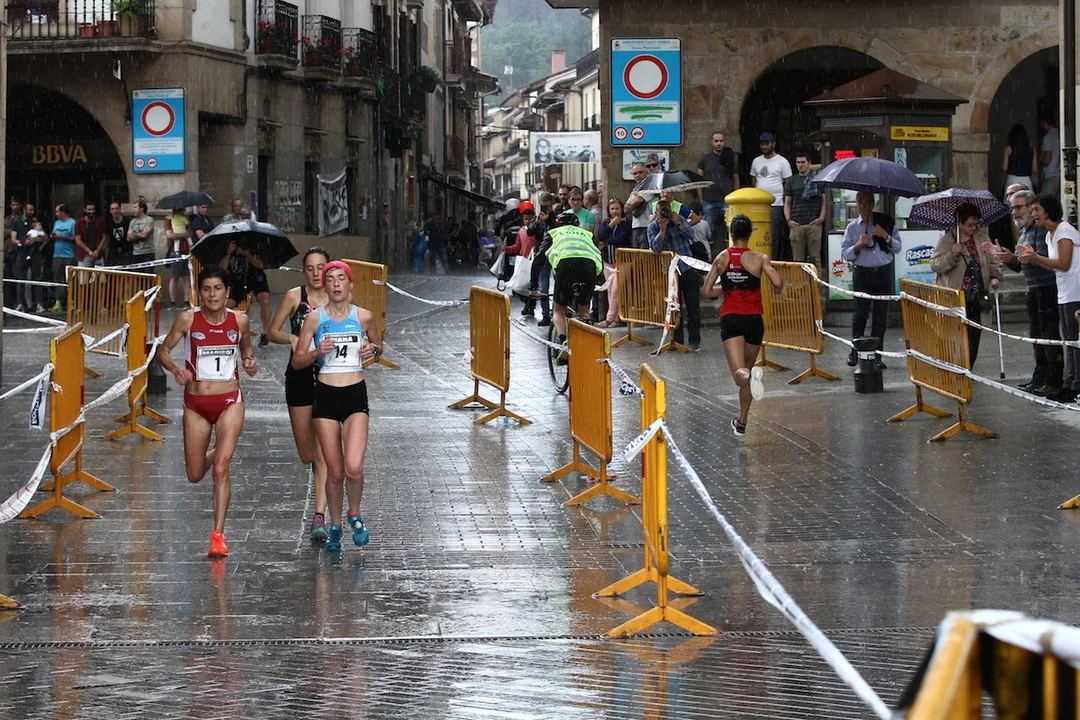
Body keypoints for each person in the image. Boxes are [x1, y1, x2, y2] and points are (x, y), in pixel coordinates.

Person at [156, 265, 258, 557]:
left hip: (230, 401)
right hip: (196, 405)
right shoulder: (188, 319)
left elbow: (246, 348)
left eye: (218, 289)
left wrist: (249, 361)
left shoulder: (240, 320)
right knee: (195, 473)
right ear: (199, 292)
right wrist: (176, 369)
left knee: (222, 468)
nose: (212, 295)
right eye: (206, 289)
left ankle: (218, 536)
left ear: (227, 292)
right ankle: (215, 452)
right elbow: (163, 351)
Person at [291, 261, 383, 552]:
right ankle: (335, 525)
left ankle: (354, 513)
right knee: (335, 471)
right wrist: (317, 352)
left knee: (353, 467)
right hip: (326, 396)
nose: (336, 283)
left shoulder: (364, 316)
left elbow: (379, 346)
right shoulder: (314, 319)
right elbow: (297, 361)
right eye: (330, 279)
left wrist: (372, 349)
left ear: (350, 284)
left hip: (355, 395)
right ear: (325, 286)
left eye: (341, 278)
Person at [267, 247, 332, 542]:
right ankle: (319, 471)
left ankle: (320, 515)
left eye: (321, 267)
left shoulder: (339, 296)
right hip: (299, 376)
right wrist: (291, 338)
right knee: (308, 454)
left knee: (323, 451)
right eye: (310, 268)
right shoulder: (295, 297)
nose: (316, 273)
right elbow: (271, 331)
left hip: (331, 377)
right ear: (303, 271)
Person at [702, 214, 783, 436]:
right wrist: (777, 289)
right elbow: (777, 282)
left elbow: (706, 291)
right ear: (749, 235)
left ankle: (748, 376)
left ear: (731, 234)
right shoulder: (760, 258)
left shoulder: (721, 258)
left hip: (732, 318)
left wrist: (725, 289)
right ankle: (742, 422)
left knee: (740, 374)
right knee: (748, 368)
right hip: (755, 319)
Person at [990, 189, 1062, 395]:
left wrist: (1026, 258)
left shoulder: (1041, 229)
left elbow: (1045, 260)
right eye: (1012, 208)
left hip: (1046, 288)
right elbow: (1022, 265)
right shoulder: (1023, 232)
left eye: (1019, 207)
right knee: (1036, 336)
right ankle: (1040, 377)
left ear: (1031, 208)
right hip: (1032, 289)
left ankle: (1054, 380)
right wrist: (1008, 258)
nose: (1014, 212)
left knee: (1049, 335)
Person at [1019, 194, 1080, 403]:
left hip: (1075, 290)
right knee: (1069, 339)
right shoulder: (1049, 235)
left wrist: (1036, 257)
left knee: (1075, 339)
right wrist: (1033, 259)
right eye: (1032, 210)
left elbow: (1064, 263)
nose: (1033, 214)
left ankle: (1076, 384)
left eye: (1037, 209)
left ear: (1048, 210)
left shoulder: (1064, 231)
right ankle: (1069, 383)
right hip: (1063, 290)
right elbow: (1053, 266)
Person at [929, 203, 1003, 368]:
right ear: (960, 223)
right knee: (954, 336)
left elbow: (993, 259)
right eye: (970, 224)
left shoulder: (982, 237)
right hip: (955, 296)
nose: (973, 228)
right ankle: (955, 368)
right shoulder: (948, 240)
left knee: (973, 336)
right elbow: (935, 265)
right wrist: (952, 254)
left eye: (976, 224)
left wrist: (995, 275)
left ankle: (967, 369)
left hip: (977, 294)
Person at [531, 210, 603, 365]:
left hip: (566, 265)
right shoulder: (587, 234)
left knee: (558, 310)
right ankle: (587, 343)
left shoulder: (553, 233)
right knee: (584, 310)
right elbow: (598, 253)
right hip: (590, 267)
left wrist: (533, 287)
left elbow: (538, 259)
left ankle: (564, 342)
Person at [840, 191, 902, 368]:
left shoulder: (885, 222)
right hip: (862, 274)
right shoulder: (852, 227)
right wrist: (859, 244)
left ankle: (877, 355)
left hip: (882, 272)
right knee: (860, 314)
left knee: (880, 316)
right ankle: (855, 351)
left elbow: (897, 247)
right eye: (859, 202)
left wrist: (885, 236)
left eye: (866, 202)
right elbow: (845, 254)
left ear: (872, 204)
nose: (862, 206)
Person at [648, 197, 702, 351]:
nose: (664, 213)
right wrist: (662, 230)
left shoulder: (679, 219)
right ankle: (677, 341)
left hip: (687, 268)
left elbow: (691, 235)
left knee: (693, 307)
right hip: (670, 273)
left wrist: (678, 223)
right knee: (674, 309)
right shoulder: (652, 227)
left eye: (666, 210)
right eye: (661, 211)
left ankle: (694, 341)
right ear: (656, 213)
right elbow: (655, 248)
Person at [220, 240, 273, 346]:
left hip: (256, 277)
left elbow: (260, 265)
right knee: (227, 305)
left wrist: (248, 254)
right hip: (237, 280)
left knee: (264, 299)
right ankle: (222, 330)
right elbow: (222, 268)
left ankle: (266, 332)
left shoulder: (254, 243)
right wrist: (228, 252)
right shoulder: (228, 244)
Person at [750, 132, 792, 259]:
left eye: (766, 144)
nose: (764, 147)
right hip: (759, 204)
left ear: (773, 144)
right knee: (758, 232)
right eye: (762, 144)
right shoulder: (756, 161)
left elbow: (788, 182)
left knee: (774, 234)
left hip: (776, 203)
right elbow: (754, 179)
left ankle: (773, 260)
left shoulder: (782, 161)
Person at [696, 131, 740, 248]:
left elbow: (736, 179)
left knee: (730, 232)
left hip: (727, 201)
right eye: (716, 141)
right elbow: (699, 181)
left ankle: (730, 254)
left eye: (721, 141)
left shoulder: (730, 159)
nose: (719, 143)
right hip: (709, 201)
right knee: (709, 233)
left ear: (724, 142)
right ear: (712, 142)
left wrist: (734, 198)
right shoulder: (705, 159)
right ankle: (709, 255)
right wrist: (701, 200)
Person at [784, 152, 827, 267]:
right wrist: (788, 220)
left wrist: (821, 218)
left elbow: (824, 200)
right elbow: (787, 203)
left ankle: (816, 279)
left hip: (814, 224)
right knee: (798, 261)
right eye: (798, 162)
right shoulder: (792, 181)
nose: (800, 165)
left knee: (815, 259)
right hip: (796, 225)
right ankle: (800, 280)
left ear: (809, 163)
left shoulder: (817, 180)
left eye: (803, 162)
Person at [596, 197, 631, 328]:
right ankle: (615, 319)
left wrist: (607, 242)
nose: (615, 211)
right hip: (608, 260)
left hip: (623, 261)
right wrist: (611, 225)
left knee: (616, 289)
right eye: (612, 209)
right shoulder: (606, 223)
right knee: (610, 290)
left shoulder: (626, 223)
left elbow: (622, 239)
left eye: (617, 208)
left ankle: (609, 319)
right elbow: (600, 236)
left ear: (622, 210)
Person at [504, 205, 537, 317]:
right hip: (523, 261)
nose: (527, 221)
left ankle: (530, 307)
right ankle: (528, 306)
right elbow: (518, 246)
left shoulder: (537, 230)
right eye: (525, 219)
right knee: (522, 286)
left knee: (532, 285)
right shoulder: (521, 231)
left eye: (529, 219)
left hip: (534, 261)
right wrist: (508, 249)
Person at [49, 204, 77, 312]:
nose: (56, 214)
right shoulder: (57, 223)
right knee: (57, 278)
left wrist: (64, 237)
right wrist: (53, 236)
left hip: (69, 254)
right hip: (57, 255)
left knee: (70, 279)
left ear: (63, 212)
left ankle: (72, 302)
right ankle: (58, 302)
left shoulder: (72, 223)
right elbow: (53, 233)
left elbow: (75, 238)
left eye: (57, 212)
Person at [165, 208, 192, 309]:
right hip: (174, 252)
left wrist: (179, 234)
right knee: (174, 277)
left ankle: (186, 301)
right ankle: (172, 302)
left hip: (186, 251)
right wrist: (183, 234)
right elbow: (170, 235)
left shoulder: (185, 219)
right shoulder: (169, 220)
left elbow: (189, 233)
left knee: (186, 277)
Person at [623, 162, 652, 249]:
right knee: (636, 254)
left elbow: (638, 200)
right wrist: (632, 203)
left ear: (646, 172)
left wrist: (631, 204)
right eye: (635, 173)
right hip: (635, 226)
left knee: (644, 254)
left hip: (647, 225)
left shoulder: (651, 186)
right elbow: (625, 209)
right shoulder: (635, 189)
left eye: (640, 172)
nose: (638, 175)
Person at [1003, 124, 1037, 192]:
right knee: (1027, 198)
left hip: (1012, 180)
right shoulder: (1031, 149)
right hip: (1026, 180)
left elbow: (1004, 168)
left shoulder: (1008, 149)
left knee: (1012, 198)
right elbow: (1035, 169)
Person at [74, 202, 106, 268]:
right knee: (83, 274)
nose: (91, 212)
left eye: (93, 209)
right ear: (85, 210)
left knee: (100, 273)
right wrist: (90, 252)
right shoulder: (79, 222)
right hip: (84, 254)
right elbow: (78, 240)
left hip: (98, 254)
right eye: (89, 210)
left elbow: (104, 237)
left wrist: (97, 250)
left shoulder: (100, 221)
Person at [127, 200, 155, 267]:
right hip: (136, 253)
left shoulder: (149, 220)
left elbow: (144, 235)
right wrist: (140, 235)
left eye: (135, 207)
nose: (133, 210)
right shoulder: (132, 222)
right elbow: (128, 238)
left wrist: (133, 234)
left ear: (141, 209)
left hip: (148, 253)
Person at [1038, 115, 1060, 199]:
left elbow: (1047, 160)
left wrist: (1039, 158)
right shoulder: (1060, 134)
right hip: (1060, 175)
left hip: (1050, 175)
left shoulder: (1047, 137)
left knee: (1047, 203)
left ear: (1044, 123)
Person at [104, 202, 132, 268]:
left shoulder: (127, 221)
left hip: (126, 252)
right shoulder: (108, 223)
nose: (115, 211)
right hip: (113, 253)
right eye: (112, 209)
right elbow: (107, 237)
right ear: (110, 211)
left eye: (116, 208)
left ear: (120, 209)